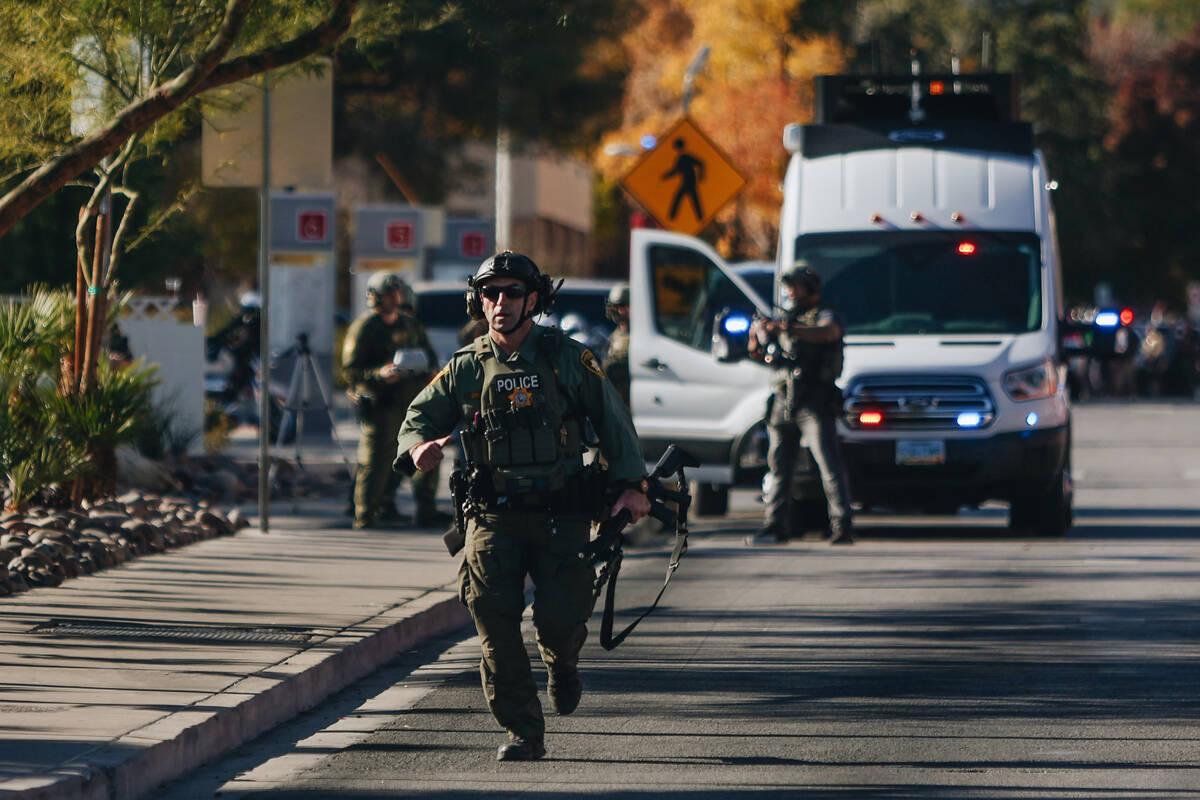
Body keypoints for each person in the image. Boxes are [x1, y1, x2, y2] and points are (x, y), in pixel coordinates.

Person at [394, 251, 650, 762]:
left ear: (532, 300)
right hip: (493, 517)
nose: (501, 302)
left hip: (561, 513)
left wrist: (631, 484)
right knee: (493, 621)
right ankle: (523, 732)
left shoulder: (566, 357)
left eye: (513, 293)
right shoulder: (467, 366)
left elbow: (612, 418)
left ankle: (562, 660)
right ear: (478, 300)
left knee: (558, 619)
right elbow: (420, 415)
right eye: (491, 293)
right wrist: (418, 446)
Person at [745, 260, 854, 546]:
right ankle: (774, 526)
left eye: (795, 286)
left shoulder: (823, 315)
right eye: (788, 287)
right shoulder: (785, 318)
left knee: (828, 464)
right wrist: (758, 335)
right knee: (778, 464)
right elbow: (761, 354)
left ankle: (842, 526)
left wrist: (787, 328)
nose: (790, 292)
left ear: (810, 287)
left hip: (814, 399)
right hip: (782, 399)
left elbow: (828, 331)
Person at [342, 272, 442, 529]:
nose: (393, 299)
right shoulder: (365, 328)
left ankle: (424, 510)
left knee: (423, 454)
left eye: (396, 294)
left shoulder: (410, 325)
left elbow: (429, 356)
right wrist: (379, 373)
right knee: (374, 461)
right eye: (387, 295)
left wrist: (430, 370)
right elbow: (350, 371)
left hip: (411, 403)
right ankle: (365, 515)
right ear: (375, 297)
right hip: (380, 404)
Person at [602, 283, 631, 408]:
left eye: (624, 306)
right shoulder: (614, 335)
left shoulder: (641, 334)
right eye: (616, 306)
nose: (620, 311)